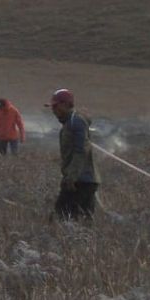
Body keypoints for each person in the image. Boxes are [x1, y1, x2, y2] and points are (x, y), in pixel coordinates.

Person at [46, 88, 101, 220]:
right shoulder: (70, 123)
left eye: (55, 106)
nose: (53, 110)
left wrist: (72, 176)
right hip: (84, 180)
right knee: (84, 220)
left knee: (62, 216)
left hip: (80, 181)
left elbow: (80, 151)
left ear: (65, 104)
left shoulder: (76, 122)